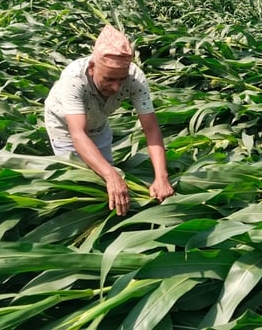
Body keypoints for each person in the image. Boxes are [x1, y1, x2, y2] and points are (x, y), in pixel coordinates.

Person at [44, 24, 174, 215]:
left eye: (121, 80)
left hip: (99, 123)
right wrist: (111, 175)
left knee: (105, 179)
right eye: (109, 79)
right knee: (79, 182)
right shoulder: (73, 78)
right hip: (65, 128)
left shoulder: (135, 79)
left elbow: (151, 128)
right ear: (91, 68)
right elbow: (78, 134)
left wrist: (162, 177)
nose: (116, 87)